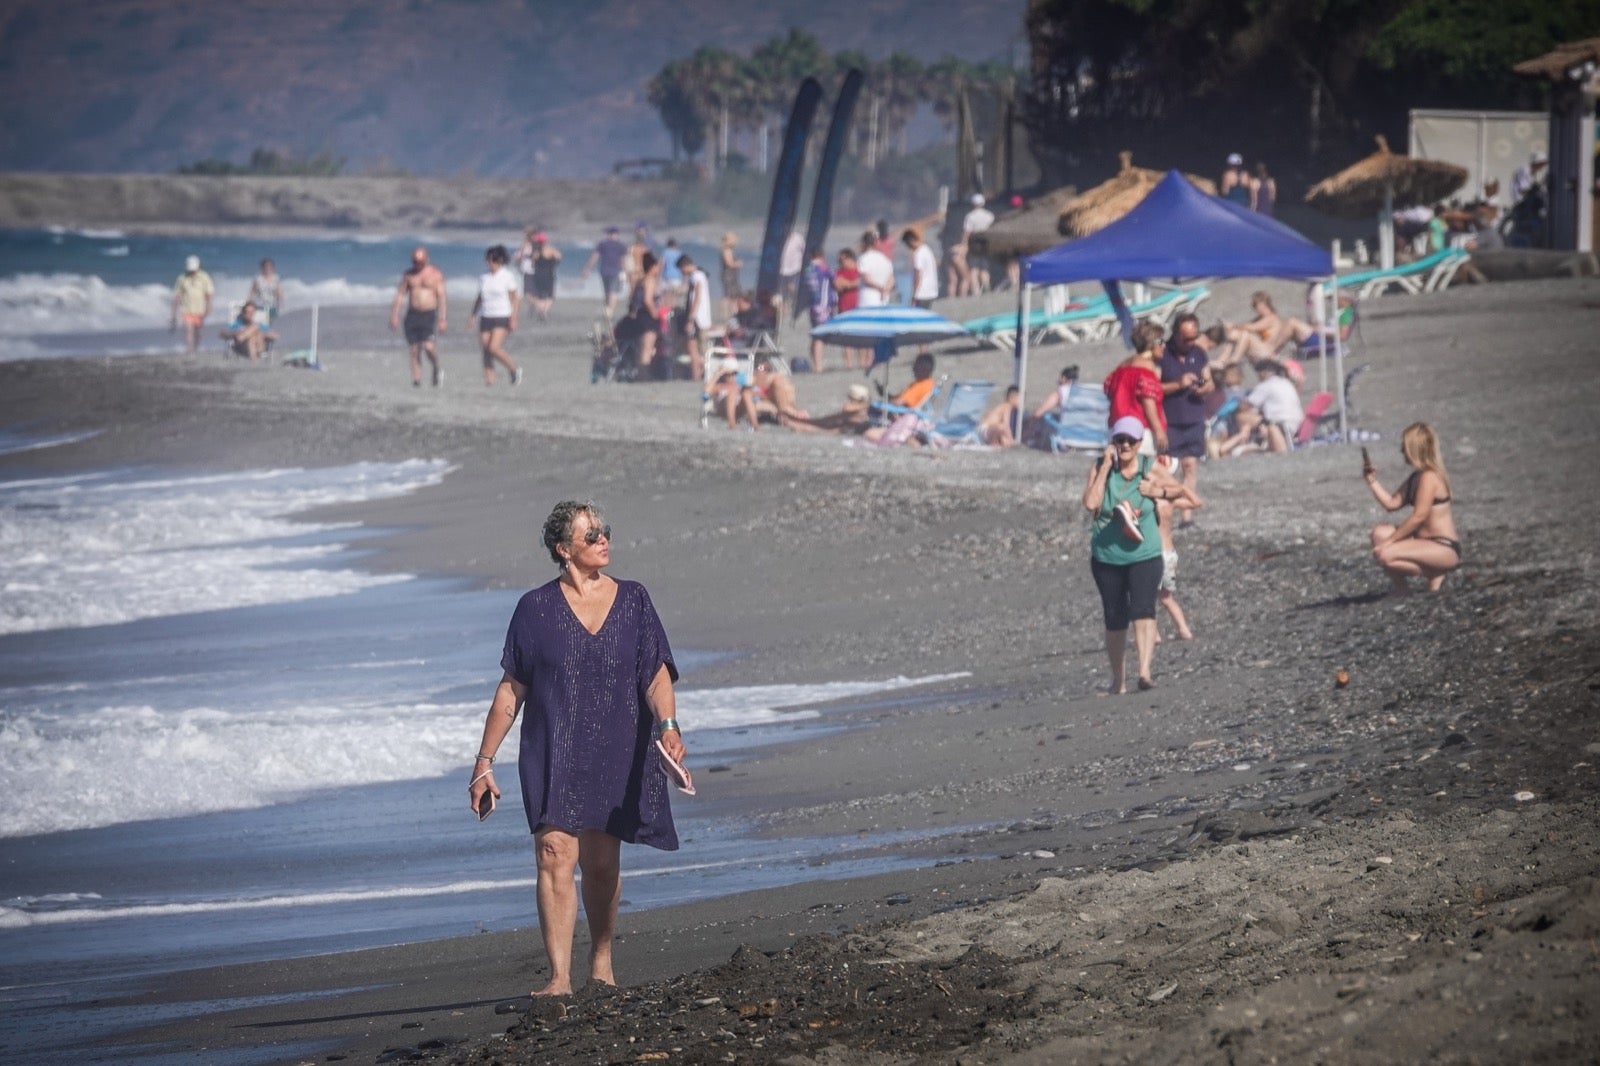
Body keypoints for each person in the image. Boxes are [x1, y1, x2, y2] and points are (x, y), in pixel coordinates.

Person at [469, 501, 686, 997]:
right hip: (553, 746)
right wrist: (484, 762)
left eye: (605, 530)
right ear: (563, 549)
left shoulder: (634, 599)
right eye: (592, 535)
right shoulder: (534, 609)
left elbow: (655, 673)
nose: (604, 539)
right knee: (553, 852)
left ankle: (602, 958)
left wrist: (668, 726)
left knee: (602, 862)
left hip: (616, 745)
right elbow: (511, 691)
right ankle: (560, 978)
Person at [1081, 416, 1186, 693]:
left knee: (1143, 608)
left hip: (1145, 554)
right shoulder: (1099, 466)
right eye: (1119, 440)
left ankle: (1144, 672)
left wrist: (1157, 490)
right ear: (1112, 442)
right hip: (1107, 557)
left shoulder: (1149, 467)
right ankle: (1118, 680)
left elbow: (1179, 490)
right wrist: (1105, 467)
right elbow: (1091, 502)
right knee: (1114, 616)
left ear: (1140, 443)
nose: (1125, 445)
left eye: (1130, 440)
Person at [1363, 422, 1461, 595]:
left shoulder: (1430, 477)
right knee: (1379, 533)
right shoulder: (1417, 477)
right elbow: (1391, 504)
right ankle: (1403, 591)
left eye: (1404, 446)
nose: (1402, 450)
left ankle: (1434, 572)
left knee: (1385, 554)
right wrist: (1371, 481)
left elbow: (1419, 516)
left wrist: (1389, 542)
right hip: (1423, 542)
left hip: (1442, 546)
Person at [1159, 314, 1214, 525]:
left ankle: (1186, 517)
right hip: (1169, 421)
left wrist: (1206, 387)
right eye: (1186, 338)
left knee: (1190, 466)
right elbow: (1151, 387)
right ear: (1175, 334)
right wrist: (1177, 384)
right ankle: (1164, 515)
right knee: (1167, 470)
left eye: (1194, 337)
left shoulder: (1198, 353)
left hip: (1193, 417)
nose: (1190, 343)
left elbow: (1209, 381)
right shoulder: (1162, 354)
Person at [1104, 321, 1169, 455]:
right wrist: (1158, 430)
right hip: (1140, 430)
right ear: (1151, 343)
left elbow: (1109, 390)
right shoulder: (1146, 367)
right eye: (1161, 341)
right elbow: (1148, 402)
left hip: (1117, 428)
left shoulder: (1123, 366)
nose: (1164, 346)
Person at [389, 246, 448, 387]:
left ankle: (436, 368)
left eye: (420, 262)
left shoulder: (435, 275)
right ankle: (416, 380)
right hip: (413, 314)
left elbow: (441, 297)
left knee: (428, 346)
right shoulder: (409, 275)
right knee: (414, 349)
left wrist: (442, 318)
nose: (418, 265)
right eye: (415, 261)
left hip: (428, 314)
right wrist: (394, 315)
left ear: (427, 259)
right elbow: (400, 295)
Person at [472, 244, 521, 387]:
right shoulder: (484, 277)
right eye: (487, 260)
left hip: (502, 316)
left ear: (498, 260)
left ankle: (513, 369)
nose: (489, 263)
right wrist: (473, 315)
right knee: (486, 349)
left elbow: (515, 298)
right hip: (486, 315)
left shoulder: (507, 276)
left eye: (491, 260)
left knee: (494, 347)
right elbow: (480, 297)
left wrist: (513, 317)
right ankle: (489, 381)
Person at [1241, 358, 1304, 452]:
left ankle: (1243, 439)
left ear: (1263, 373)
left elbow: (1244, 406)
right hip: (1297, 422)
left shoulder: (1265, 385)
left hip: (1282, 425)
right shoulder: (1286, 382)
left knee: (1241, 416)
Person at [620, 251, 662, 373]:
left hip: (639, 317)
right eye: (657, 266)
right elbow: (648, 300)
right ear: (652, 266)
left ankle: (638, 372)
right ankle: (644, 374)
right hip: (648, 318)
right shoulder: (650, 280)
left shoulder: (640, 281)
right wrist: (655, 314)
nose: (658, 269)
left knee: (640, 348)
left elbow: (633, 299)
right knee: (647, 349)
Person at [677, 254, 712, 382]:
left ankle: (697, 375)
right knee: (699, 348)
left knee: (695, 348)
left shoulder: (697, 277)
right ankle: (699, 374)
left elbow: (696, 299)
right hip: (701, 317)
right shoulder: (699, 275)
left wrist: (690, 319)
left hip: (698, 318)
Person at [580, 227, 629, 318]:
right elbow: (595, 257)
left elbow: (595, 257)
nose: (612, 236)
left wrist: (588, 268)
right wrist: (588, 268)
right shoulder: (608, 245)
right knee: (610, 291)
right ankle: (608, 310)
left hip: (610, 271)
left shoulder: (613, 245)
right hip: (608, 271)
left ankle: (609, 310)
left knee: (611, 291)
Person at [170, 255, 214, 355]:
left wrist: (209, 306)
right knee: (188, 330)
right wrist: (173, 312)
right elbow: (177, 295)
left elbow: (209, 293)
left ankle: (195, 348)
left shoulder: (204, 277)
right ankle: (190, 350)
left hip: (200, 310)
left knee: (198, 332)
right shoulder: (182, 278)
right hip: (186, 309)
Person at [832, 248, 865, 370]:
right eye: (839, 260)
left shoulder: (859, 270)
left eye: (842, 259)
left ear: (850, 258)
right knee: (846, 337)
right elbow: (838, 285)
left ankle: (862, 362)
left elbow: (861, 281)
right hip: (844, 306)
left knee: (861, 335)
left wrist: (849, 284)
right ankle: (849, 363)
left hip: (859, 306)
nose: (840, 262)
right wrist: (852, 283)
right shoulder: (839, 272)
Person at [518, 230, 561, 323]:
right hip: (549, 274)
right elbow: (559, 257)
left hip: (538, 275)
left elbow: (533, 264)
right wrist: (553, 264)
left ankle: (542, 310)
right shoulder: (551, 250)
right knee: (550, 296)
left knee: (539, 296)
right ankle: (544, 310)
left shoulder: (536, 253)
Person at [801, 247, 834, 371]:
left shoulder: (808, 269)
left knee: (816, 333)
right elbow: (834, 280)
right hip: (823, 305)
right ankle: (818, 366)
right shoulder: (823, 268)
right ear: (822, 256)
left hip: (813, 304)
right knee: (820, 336)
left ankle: (815, 363)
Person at [961, 193, 994, 294]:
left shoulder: (970, 216)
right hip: (986, 244)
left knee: (974, 269)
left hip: (974, 245)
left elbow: (967, 232)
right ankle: (987, 290)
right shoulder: (990, 215)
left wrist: (964, 245)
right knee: (985, 269)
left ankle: (976, 292)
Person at [855, 230, 894, 309]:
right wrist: (885, 290)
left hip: (867, 299)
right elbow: (891, 279)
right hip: (883, 299)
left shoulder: (863, 258)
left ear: (864, 244)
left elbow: (867, 279)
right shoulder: (885, 259)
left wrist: (880, 288)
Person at [247, 258, 284, 327]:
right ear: (262, 267)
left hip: (272, 305)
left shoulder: (276, 278)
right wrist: (249, 304)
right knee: (260, 325)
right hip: (259, 305)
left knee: (269, 326)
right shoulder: (258, 279)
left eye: (270, 266)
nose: (267, 268)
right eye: (266, 266)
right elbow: (252, 293)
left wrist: (281, 304)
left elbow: (279, 292)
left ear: (272, 268)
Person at [779, 229, 805, 319]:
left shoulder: (798, 238)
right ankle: (783, 309)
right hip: (782, 269)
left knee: (793, 288)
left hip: (795, 268)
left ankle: (796, 305)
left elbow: (804, 251)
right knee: (782, 290)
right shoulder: (779, 237)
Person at [718, 232, 743, 320]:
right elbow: (729, 263)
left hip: (731, 275)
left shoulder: (728, 250)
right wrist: (738, 264)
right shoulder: (726, 250)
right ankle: (725, 316)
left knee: (733, 296)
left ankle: (734, 314)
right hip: (729, 276)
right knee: (728, 296)